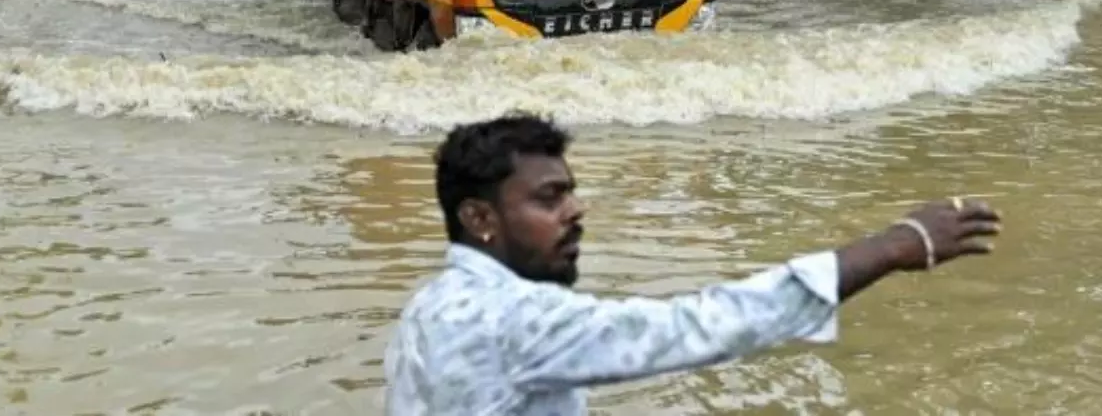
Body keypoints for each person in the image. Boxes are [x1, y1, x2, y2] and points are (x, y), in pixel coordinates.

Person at [384, 113, 1003, 415]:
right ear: (480, 218)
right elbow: (699, 326)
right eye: (549, 198)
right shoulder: (516, 320)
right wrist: (893, 246)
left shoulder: (428, 307)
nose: (576, 211)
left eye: (571, 193)